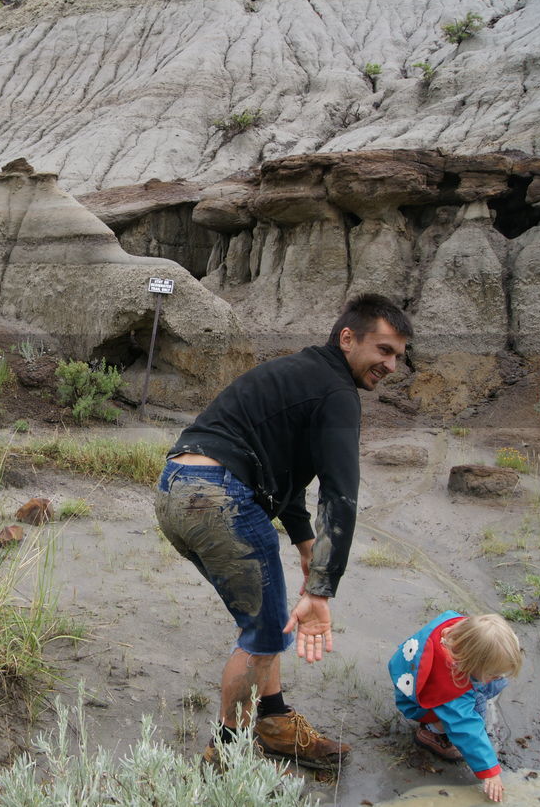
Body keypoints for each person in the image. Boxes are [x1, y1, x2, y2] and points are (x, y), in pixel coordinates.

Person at [155, 293, 411, 770]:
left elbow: (286, 472)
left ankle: (273, 722)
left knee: (264, 619)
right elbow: (340, 494)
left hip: (176, 488)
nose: (392, 365)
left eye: (398, 355)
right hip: (219, 495)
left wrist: (305, 544)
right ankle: (224, 760)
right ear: (348, 338)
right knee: (265, 632)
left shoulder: (300, 371)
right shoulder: (337, 393)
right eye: (383, 350)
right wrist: (322, 589)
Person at [389, 612, 523, 803]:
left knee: (495, 685)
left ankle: (478, 686)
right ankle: (431, 731)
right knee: (468, 714)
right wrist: (490, 772)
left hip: (415, 676)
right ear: (470, 664)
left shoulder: (458, 629)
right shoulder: (453, 687)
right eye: (492, 673)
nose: (497, 676)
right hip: (418, 703)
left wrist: (491, 675)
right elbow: (467, 728)